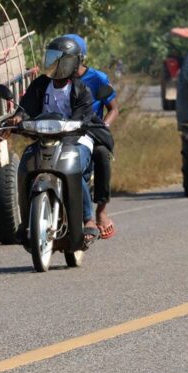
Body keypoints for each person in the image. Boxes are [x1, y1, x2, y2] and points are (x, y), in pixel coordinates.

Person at [8, 36, 105, 245]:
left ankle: (88, 218)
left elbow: (82, 119)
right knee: (25, 167)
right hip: (45, 138)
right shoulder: (40, 84)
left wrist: (75, 126)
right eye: (54, 58)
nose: (59, 65)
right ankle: (26, 221)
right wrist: (19, 117)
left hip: (76, 139)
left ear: (75, 64)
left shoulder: (81, 89)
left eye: (65, 60)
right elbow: (26, 108)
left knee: (73, 169)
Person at [64, 33, 118, 240]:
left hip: (89, 130)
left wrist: (104, 125)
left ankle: (101, 211)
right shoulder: (55, 78)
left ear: (79, 58)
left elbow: (113, 108)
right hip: (61, 130)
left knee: (102, 154)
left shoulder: (97, 78)